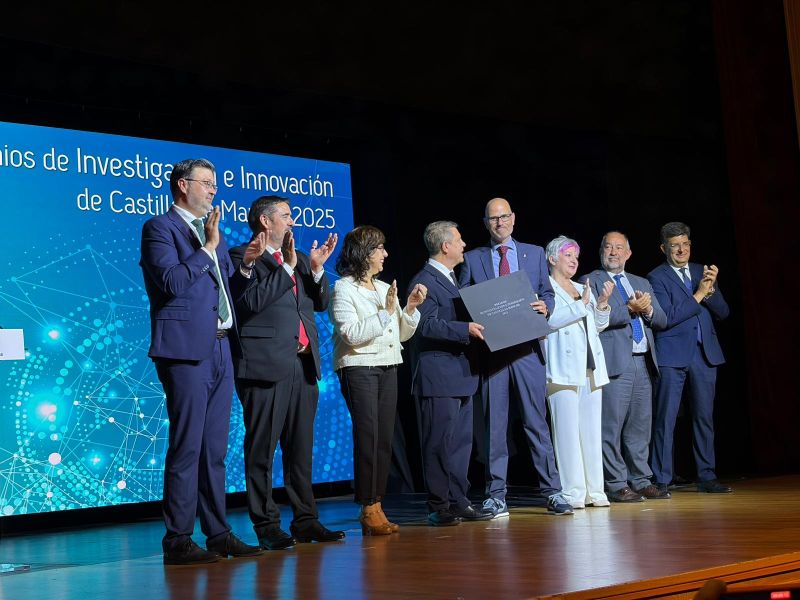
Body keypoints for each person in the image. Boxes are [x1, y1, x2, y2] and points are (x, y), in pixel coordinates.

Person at [140, 158, 263, 564]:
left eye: (215, 184)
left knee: (214, 448)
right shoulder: (160, 228)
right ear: (182, 185)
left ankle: (218, 533)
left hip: (222, 347)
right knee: (188, 445)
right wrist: (209, 248)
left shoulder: (212, 232)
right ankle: (177, 539)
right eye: (207, 183)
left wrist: (244, 265)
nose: (213, 191)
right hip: (184, 349)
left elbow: (226, 290)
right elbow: (173, 282)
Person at [229, 195, 344, 550]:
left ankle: (306, 521)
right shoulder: (241, 257)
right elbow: (247, 304)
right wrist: (286, 269)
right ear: (266, 222)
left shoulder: (296, 262)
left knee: (300, 449)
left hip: (303, 365)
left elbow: (320, 303)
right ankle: (266, 524)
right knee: (261, 450)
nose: (293, 221)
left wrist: (317, 268)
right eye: (287, 216)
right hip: (265, 367)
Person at [459, 198, 573, 517]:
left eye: (504, 216)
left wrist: (546, 306)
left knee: (536, 423)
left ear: (513, 218)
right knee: (495, 427)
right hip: (493, 353)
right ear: (486, 223)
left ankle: (552, 491)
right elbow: (464, 300)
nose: (500, 223)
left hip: (527, 351)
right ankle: (496, 495)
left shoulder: (534, 253)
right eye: (493, 219)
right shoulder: (472, 259)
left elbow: (547, 293)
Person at [328, 225, 426, 535]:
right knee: (368, 436)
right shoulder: (343, 288)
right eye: (380, 248)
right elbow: (352, 335)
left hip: (388, 365)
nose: (386, 254)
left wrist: (409, 307)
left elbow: (402, 334)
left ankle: (377, 503)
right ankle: (367, 505)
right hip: (359, 367)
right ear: (365, 253)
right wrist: (385, 313)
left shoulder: (385, 288)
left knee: (384, 437)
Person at [408, 221, 493, 526]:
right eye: (459, 240)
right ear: (445, 246)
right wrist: (464, 329)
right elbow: (424, 324)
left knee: (460, 444)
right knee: (438, 443)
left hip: (461, 374)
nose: (464, 245)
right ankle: (438, 504)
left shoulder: (452, 278)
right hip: (438, 375)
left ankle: (460, 501)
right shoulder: (424, 280)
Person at [647, 222, 731, 493]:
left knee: (703, 418)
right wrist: (698, 295)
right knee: (666, 418)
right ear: (664, 248)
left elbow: (723, 312)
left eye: (685, 244)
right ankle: (661, 479)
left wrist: (711, 289)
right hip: (672, 355)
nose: (681, 249)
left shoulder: (701, 272)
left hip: (704, 355)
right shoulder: (656, 277)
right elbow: (667, 318)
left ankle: (707, 477)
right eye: (674, 246)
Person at [586, 232, 669, 502]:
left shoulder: (641, 282)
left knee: (640, 426)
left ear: (628, 253)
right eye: (608, 247)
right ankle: (615, 482)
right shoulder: (591, 281)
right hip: (614, 363)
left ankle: (641, 479)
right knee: (611, 426)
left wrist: (647, 310)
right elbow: (594, 320)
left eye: (619, 248)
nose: (613, 252)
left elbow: (662, 320)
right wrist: (630, 309)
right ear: (601, 251)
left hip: (643, 361)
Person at [544, 236, 614, 509]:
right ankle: (573, 493)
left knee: (591, 432)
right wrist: (580, 305)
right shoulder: (545, 289)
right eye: (568, 256)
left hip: (590, 368)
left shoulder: (580, 287)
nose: (574, 261)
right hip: (563, 369)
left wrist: (602, 305)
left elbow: (597, 327)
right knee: (567, 435)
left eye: (576, 256)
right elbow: (547, 322)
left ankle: (596, 492)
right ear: (552, 259)